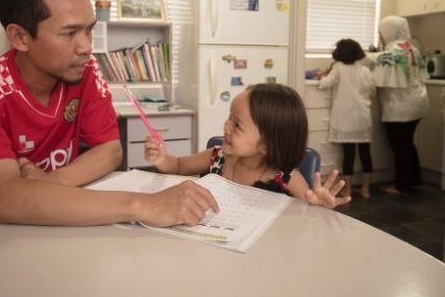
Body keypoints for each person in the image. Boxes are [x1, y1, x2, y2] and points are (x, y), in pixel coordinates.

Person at [0, 0, 218, 227]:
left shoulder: (84, 70)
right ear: (20, 38)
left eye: (89, 30)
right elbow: (4, 198)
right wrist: (143, 205)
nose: (86, 47)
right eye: (69, 33)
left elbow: (110, 150)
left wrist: (53, 181)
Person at [144, 83, 351, 208]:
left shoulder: (287, 179)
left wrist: (319, 206)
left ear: (267, 144)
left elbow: (306, 219)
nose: (225, 127)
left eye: (237, 125)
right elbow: (178, 166)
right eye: (229, 118)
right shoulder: (217, 157)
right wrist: (163, 159)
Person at [373, 15, 429, 194]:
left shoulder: (389, 53)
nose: (380, 37)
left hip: (399, 107)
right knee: (408, 142)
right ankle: (414, 179)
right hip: (418, 103)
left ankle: (401, 185)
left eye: (381, 33)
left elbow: (378, 81)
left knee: (399, 145)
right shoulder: (413, 50)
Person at [318, 39, 375, 199]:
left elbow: (325, 84)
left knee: (349, 154)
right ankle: (365, 190)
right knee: (365, 153)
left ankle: (348, 190)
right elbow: (372, 90)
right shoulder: (365, 70)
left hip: (346, 118)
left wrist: (322, 76)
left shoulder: (338, 68)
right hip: (363, 118)